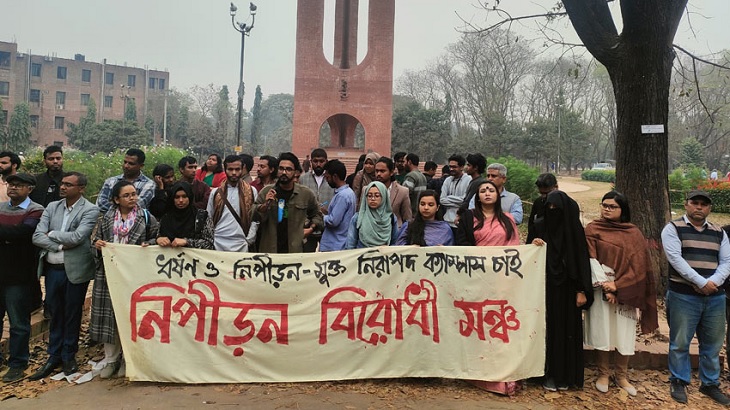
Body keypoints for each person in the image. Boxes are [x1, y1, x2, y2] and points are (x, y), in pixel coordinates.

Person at [584, 191, 658, 396]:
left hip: (628, 290)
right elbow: (590, 259)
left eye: (612, 206)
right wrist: (606, 286)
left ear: (622, 209)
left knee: (623, 333)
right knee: (603, 330)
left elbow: (639, 265)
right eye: (604, 205)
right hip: (600, 288)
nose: (607, 209)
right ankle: (603, 374)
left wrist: (618, 286)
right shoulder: (592, 228)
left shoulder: (633, 233)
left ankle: (622, 375)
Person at [662, 190, 730, 405]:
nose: (699, 207)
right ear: (687, 205)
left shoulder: (719, 232)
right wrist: (701, 282)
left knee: (712, 344)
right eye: (695, 203)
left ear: (709, 208)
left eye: (704, 204)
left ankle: (710, 384)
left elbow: (727, 262)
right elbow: (675, 259)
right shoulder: (673, 228)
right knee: (680, 342)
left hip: (715, 297)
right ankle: (679, 381)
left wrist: (714, 283)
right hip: (683, 295)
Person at [31, 172, 100, 380]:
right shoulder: (52, 207)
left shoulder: (90, 209)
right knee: (54, 312)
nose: (63, 187)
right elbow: (36, 236)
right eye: (63, 184)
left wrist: (51, 235)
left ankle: (69, 355)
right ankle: (53, 356)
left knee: (72, 313)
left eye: (69, 185)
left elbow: (79, 237)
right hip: (53, 270)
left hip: (75, 270)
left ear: (81, 188)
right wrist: (60, 244)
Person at [92, 181, 159, 379]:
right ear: (116, 199)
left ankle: (128, 359)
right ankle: (111, 358)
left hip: (135, 276)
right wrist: (97, 246)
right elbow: (94, 241)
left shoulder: (146, 218)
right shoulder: (105, 219)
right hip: (109, 275)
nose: (132, 198)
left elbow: (157, 239)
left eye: (134, 194)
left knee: (131, 316)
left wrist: (149, 245)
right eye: (127, 195)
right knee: (109, 316)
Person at [529, 186, 593, 391]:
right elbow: (528, 253)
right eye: (550, 206)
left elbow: (581, 262)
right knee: (546, 330)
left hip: (568, 290)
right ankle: (545, 374)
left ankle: (565, 376)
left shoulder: (575, 232)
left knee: (566, 331)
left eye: (558, 207)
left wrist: (582, 290)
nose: (553, 210)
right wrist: (534, 244)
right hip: (544, 289)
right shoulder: (540, 225)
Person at [0, 173, 44, 382]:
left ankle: (18, 362)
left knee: (18, 322)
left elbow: (24, 233)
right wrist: (10, 234)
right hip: (1, 272)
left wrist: (11, 235)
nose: (13, 188)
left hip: (19, 275)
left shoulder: (36, 210)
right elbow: (12, 234)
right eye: (11, 184)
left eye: (19, 185)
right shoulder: (1, 207)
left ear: (30, 189)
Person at [254, 152, 322, 253]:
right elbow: (253, 216)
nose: (284, 172)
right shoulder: (266, 192)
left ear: (295, 172)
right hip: (271, 250)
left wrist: (311, 229)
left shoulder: (305, 194)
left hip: (295, 251)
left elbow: (317, 215)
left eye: (289, 169)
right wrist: (265, 205)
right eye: (281, 169)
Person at [207, 155, 258, 252]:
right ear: (225, 169)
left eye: (237, 169)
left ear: (242, 169)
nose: (234, 173)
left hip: (241, 244)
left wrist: (249, 240)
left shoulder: (251, 191)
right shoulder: (216, 193)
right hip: (218, 243)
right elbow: (209, 217)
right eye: (230, 169)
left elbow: (255, 218)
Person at [455, 180, 518, 246]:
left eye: (491, 191)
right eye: (483, 191)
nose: (487, 194)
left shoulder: (508, 218)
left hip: (502, 255)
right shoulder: (468, 216)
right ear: (478, 197)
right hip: (476, 255)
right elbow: (461, 242)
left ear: (497, 195)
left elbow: (513, 243)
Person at [157, 182, 214, 250]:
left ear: (190, 197)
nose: (181, 200)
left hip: (194, 260)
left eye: (184, 196)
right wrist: (158, 239)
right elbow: (157, 237)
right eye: (177, 197)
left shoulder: (201, 217)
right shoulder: (165, 217)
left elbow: (209, 244)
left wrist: (187, 242)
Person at [96, 148, 156, 213]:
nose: (126, 166)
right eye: (125, 162)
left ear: (141, 166)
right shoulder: (111, 181)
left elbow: (137, 205)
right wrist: (124, 207)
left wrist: (114, 205)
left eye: (131, 164)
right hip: (111, 222)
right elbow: (101, 203)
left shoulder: (148, 184)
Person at [299, 149, 334, 252]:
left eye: (321, 161)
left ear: (326, 162)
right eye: (315, 161)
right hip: (308, 226)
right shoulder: (303, 179)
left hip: (327, 227)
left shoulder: (331, 179)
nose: (318, 164)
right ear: (310, 162)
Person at [346, 181, 398, 249]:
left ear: (384, 197)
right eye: (369, 196)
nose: (373, 199)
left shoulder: (391, 218)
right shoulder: (358, 218)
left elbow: (394, 244)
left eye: (377, 196)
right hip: (362, 257)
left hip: (383, 257)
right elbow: (350, 245)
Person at [320, 159, 356, 252]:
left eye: (327, 177)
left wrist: (320, 216)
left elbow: (333, 221)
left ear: (335, 177)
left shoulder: (343, 196)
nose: (327, 181)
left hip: (335, 244)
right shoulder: (348, 193)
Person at [374, 157, 411, 229]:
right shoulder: (367, 190)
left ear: (391, 172)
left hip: (394, 233)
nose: (378, 174)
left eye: (382, 171)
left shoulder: (402, 191)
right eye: (376, 171)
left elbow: (407, 218)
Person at [440, 154, 471, 232]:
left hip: (460, 222)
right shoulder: (447, 180)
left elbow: (465, 200)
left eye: (454, 167)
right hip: (447, 221)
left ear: (461, 167)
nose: (451, 169)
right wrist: (460, 201)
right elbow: (442, 200)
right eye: (450, 166)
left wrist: (449, 197)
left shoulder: (468, 179)